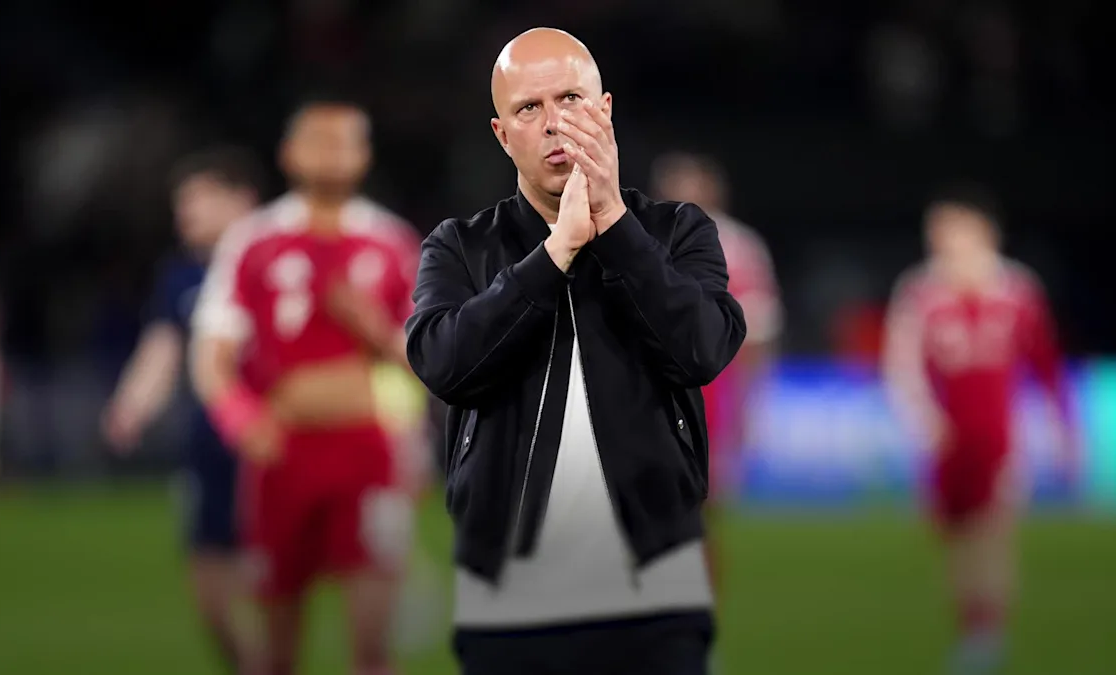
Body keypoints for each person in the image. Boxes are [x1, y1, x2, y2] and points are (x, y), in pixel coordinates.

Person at [406, 28, 746, 675]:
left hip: (656, 585)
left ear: (605, 110)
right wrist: (554, 254)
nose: (555, 122)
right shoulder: (458, 247)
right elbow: (444, 364)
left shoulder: (677, 232)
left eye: (569, 98)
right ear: (503, 135)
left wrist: (615, 225)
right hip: (507, 588)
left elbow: (702, 348)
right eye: (528, 109)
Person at [190, 99, 421, 675]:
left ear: (364, 156)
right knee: (275, 652)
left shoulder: (393, 242)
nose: (332, 153)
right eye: (319, 141)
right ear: (290, 153)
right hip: (283, 455)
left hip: (368, 454)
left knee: (371, 647)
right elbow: (212, 354)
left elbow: (432, 362)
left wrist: (373, 330)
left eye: (345, 142)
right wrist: (241, 421)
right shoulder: (253, 241)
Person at [882, 183, 1075, 675]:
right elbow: (901, 363)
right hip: (947, 438)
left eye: (951, 227)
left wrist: (1063, 428)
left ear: (981, 231)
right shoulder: (920, 291)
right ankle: (973, 625)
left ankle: (986, 634)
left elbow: (1045, 362)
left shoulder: (1016, 289)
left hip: (999, 434)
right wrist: (924, 421)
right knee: (956, 534)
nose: (942, 238)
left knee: (994, 530)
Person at [101, 146, 264, 674]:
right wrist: (131, 406)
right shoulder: (181, 276)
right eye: (181, 202)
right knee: (211, 600)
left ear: (239, 198)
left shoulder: (276, 259)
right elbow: (163, 347)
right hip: (208, 445)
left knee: (266, 591)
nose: (184, 213)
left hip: (269, 444)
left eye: (197, 199)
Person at [650, 151, 782, 603]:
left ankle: (696, 618)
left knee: (701, 515)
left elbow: (758, 335)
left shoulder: (740, 248)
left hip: (711, 398)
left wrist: (750, 405)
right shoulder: (641, 239)